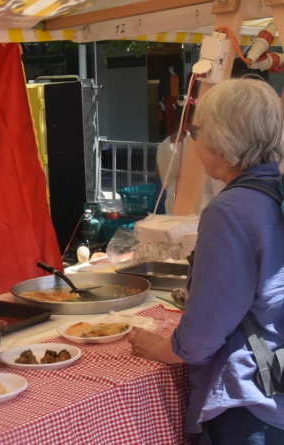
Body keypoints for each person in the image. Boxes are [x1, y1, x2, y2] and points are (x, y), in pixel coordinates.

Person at [128, 78, 284, 444]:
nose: (193, 140)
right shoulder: (275, 192)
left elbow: (203, 334)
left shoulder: (230, 210)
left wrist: (158, 347)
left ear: (222, 141)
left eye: (196, 130)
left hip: (248, 400)